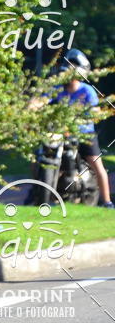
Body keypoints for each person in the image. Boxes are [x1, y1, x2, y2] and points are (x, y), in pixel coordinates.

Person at [52, 49, 113, 208]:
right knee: (43, 157)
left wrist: (86, 115)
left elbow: (95, 111)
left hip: (84, 133)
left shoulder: (87, 90)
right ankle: (43, 194)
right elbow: (42, 100)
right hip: (61, 133)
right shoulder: (57, 89)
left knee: (96, 163)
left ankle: (106, 201)